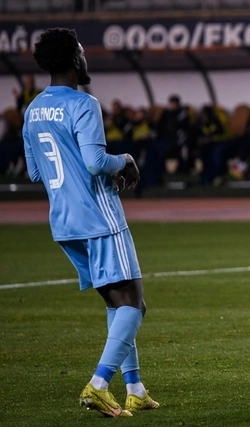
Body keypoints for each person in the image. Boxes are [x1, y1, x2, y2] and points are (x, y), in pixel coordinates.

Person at [22, 28, 159, 417]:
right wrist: (126, 160)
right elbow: (97, 162)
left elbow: (36, 173)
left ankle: (134, 388)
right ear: (72, 60)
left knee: (118, 304)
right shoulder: (84, 104)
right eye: (81, 52)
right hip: (100, 217)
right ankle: (99, 384)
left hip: (64, 223)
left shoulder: (33, 110)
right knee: (134, 303)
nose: (85, 59)